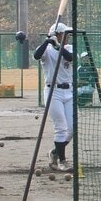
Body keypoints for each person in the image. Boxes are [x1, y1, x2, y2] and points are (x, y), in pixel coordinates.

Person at [34, 21, 75, 172]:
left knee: (72, 128)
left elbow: (70, 58)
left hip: (68, 91)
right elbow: (36, 55)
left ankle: (54, 152)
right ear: (57, 34)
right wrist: (48, 41)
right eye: (65, 34)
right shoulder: (46, 49)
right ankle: (62, 161)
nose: (68, 37)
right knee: (61, 127)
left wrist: (58, 46)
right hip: (53, 92)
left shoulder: (68, 48)